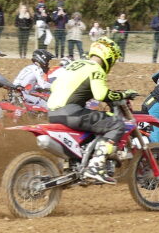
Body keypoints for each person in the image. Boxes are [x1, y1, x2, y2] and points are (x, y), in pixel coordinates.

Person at [46, 37, 133, 184]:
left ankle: (75, 165)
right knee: (116, 124)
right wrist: (123, 94)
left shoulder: (74, 65)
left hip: (53, 113)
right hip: (71, 112)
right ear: (109, 57)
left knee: (92, 124)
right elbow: (101, 95)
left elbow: (55, 87)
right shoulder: (96, 69)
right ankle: (96, 166)